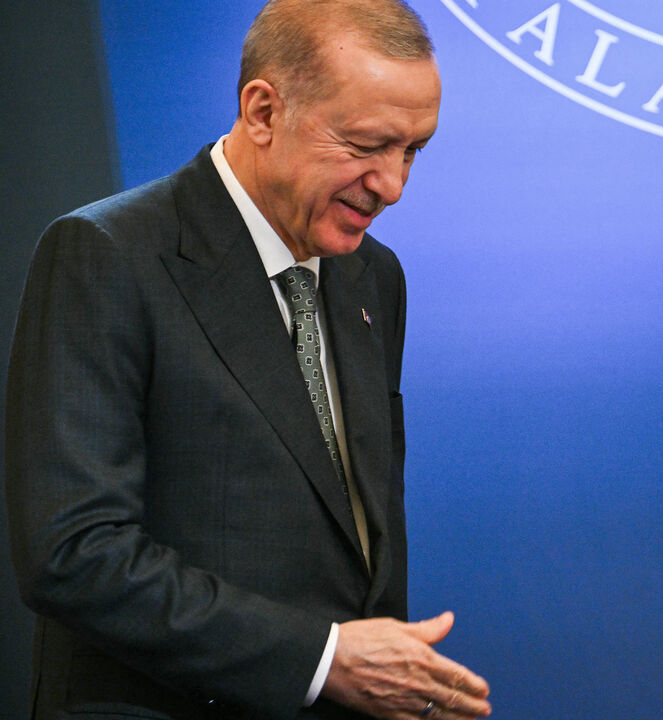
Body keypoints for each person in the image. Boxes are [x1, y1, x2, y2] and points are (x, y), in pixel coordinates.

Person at [4, 1, 492, 718]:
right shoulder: (107, 256)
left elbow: (356, 530)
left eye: (412, 149)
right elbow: (75, 554)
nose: (393, 186)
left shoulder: (371, 277)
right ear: (263, 112)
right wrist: (320, 660)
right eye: (365, 145)